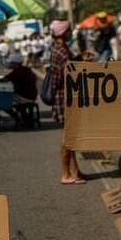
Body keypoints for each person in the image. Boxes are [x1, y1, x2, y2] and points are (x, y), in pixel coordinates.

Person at [48, 20, 85, 185]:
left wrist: (79, 58)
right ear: (63, 33)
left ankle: (75, 171)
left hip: (64, 97)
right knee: (68, 137)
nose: (70, 33)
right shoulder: (61, 51)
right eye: (68, 30)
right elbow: (63, 77)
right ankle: (65, 174)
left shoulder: (60, 49)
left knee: (71, 136)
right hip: (64, 98)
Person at [3, 53, 38, 128]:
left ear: (15, 63)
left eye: (11, 63)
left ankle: (18, 119)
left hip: (25, 96)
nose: (10, 64)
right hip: (31, 95)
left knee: (3, 102)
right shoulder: (25, 69)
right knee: (15, 101)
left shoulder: (18, 71)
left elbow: (5, 78)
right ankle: (25, 118)